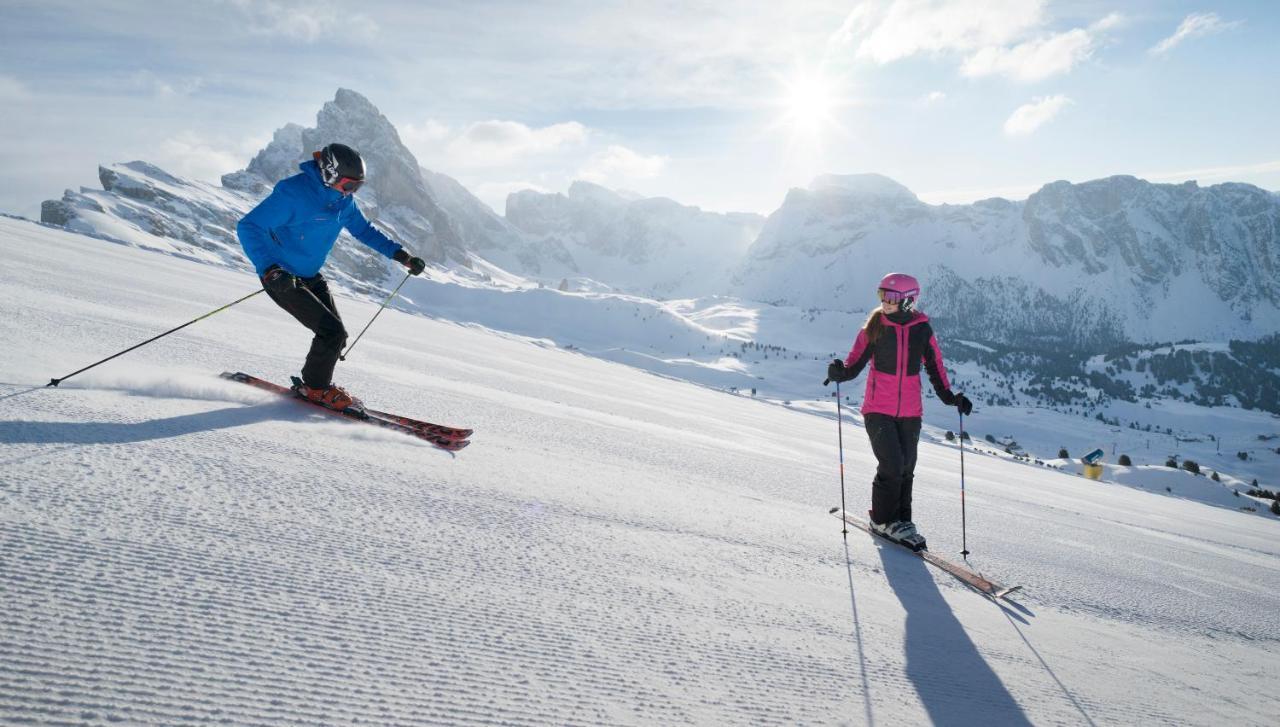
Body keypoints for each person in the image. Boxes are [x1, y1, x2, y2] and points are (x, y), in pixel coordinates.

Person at [236, 143, 426, 411]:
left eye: (358, 187)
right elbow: (249, 226)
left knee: (338, 336)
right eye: (349, 185)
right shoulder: (294, 194)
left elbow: (363, 230)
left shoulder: (343, 201)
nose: (352, 192)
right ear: (329, 173)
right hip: (281, 277)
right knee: (331, 333)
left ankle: (314, 384)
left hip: (310, 276)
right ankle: (316, 388)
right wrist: (269, 268)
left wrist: (401, 256)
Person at [825, 273, 973, 550]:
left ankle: (903, 520)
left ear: (908, 301)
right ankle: (882, 520)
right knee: (892, 465)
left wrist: (952, 398)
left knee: (907, 467)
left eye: (891, 297)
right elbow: (854, 364)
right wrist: (839, 373)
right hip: (878, 409)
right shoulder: (875, 327)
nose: (885, 302)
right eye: (881, 295)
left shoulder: (922, 329)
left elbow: (935, 367)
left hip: (910, 412)